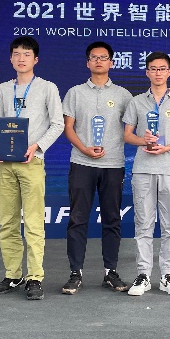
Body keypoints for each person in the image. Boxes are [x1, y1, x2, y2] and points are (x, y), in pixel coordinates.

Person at [0, 36, 64, 300]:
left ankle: (34, 277)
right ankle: (13, 274)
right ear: (11, 58)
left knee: (33, 222)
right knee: (7, 222)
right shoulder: (2, 89)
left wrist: (37, 147)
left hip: (32, 162)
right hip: (5, 164)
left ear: (36, 59)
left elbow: (58, 124)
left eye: (27, 54)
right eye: (17, 54)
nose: (21, 58)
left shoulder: (47, 88)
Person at [60, 41, 133, 294]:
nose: (99, 61)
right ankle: (75, 273)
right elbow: (68, 127)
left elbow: (134, 125)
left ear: (111, 62)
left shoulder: (123, 95)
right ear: (87, 62)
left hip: (113, 164)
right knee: (78, 218)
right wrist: (84, 149)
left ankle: (110, 272)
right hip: (82, 163)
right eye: (94, 57)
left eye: (103, 57)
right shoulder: (75, 93)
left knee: (112, 218)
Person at [122, 52, 170, 296]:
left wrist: (167, 147)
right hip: (143, 169)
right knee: (143, 224)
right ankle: (143, 275)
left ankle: (166, 275)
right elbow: (127, 135)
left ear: (169, 72)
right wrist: (144, 140)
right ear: (147, 72)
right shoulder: (136, 102)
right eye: (153, 68)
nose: (158, 73)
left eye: (162, 68)